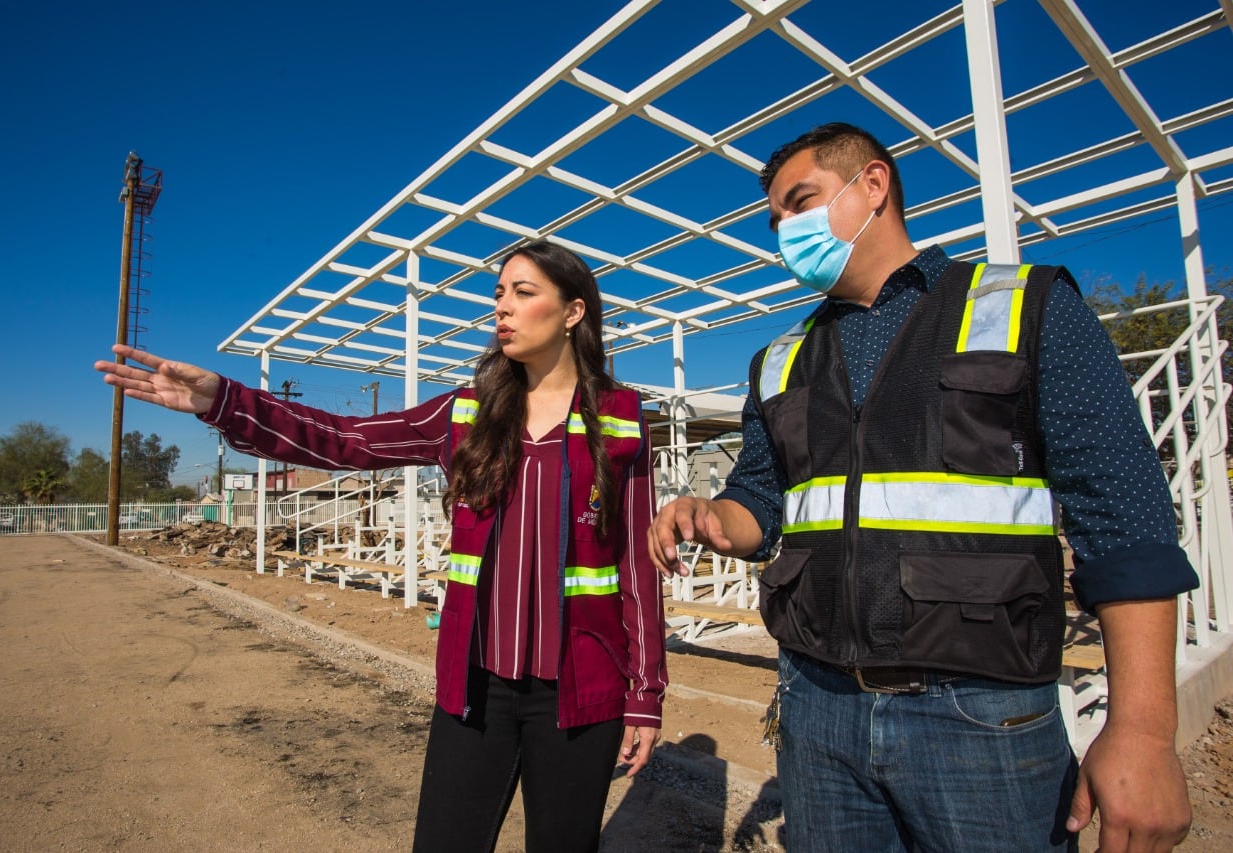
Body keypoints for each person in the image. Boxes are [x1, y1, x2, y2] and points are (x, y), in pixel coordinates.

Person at [647, 123, 1198, 852]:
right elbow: (758, 503)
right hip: (816, 712)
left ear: (872, 186)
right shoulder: (779, 361)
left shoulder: (1028, 306)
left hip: (981, 718)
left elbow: (1124, 518)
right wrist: (708, 514)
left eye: (801, 202)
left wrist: (1144, 729)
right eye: (776, 220)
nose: (785, 231)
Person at [97, 240, 667, 853]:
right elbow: (345, 439)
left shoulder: (622, 422)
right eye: (498, 294)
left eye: (522, 294)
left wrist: (645, 696)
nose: (501, 308)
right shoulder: (465, 414)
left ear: (573, 313)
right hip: (475, 686)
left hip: (582, 688)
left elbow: (639, 569)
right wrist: (225, 403)